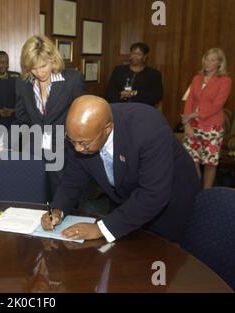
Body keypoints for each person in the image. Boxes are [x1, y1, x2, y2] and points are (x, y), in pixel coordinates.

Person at [41, 95, 200, 243]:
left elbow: (153, 194)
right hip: (125, 202)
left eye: (84, 143)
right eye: (72, 141)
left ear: (107, 129)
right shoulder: (82, 133)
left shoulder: (149, 128)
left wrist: (101, 228)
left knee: (161, 262)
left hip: (168, 203)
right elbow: (72, 180)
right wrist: (57, 210)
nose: (77, 149)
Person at [15, 35, 86, 200]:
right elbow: (21, 120)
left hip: (64, 154)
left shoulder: (72, 80)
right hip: (33, 154)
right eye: (33, 68)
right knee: (32, 202)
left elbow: (81, 120)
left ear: (53, 59)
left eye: (43, 66)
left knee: (61, 203)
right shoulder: (22, 83)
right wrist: (2, 144)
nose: (39, 73)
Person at [182, 48, 232, 189]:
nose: (208, 63)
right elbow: (189, 101)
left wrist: (194, 115)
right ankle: (195, 189)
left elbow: (217, 105)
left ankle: (207, 194)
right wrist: (187, 123)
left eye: (213, 60)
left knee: (209, 162)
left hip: (212, 126)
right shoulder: (197, 78)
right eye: (207, 59)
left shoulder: (225, 81)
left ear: (219, 63)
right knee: (191, 160)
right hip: (193, 125)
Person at [105, 42, 163, 107]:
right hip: (120, 107)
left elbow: (157, 96)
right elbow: (109, 92)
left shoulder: (154, 74)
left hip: (143, 109)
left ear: (145, 57)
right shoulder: (118, 70)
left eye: (138, 54)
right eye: (133, 53)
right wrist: (120, 95)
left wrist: (134, 93)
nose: (135, 56)